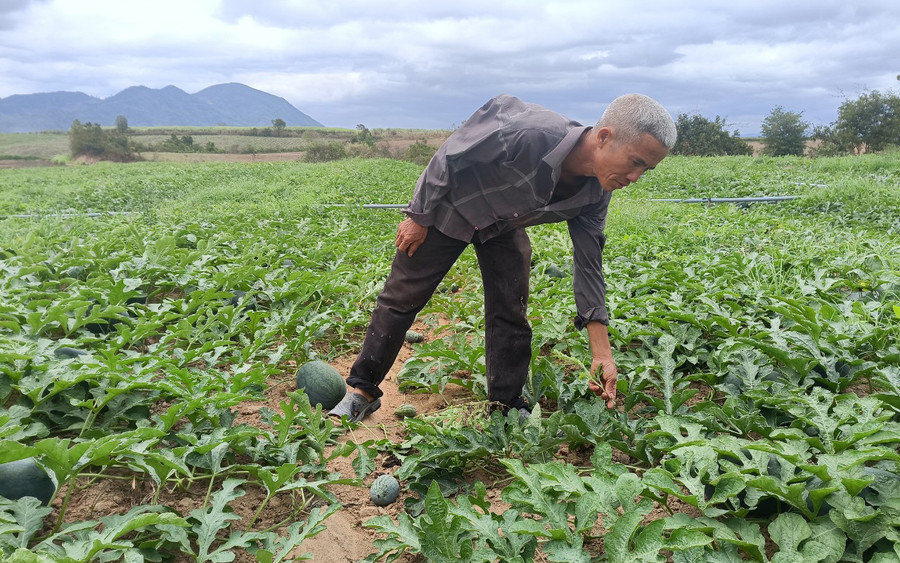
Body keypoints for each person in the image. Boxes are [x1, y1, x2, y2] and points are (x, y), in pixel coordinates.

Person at [329, 93, 677, 422]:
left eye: (645, 170)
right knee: (402, 297)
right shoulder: (530, 133)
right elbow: (451, 154)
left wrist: (602, 353)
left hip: (502, 225)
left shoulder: (596, 194)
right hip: (453, 208)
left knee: (511, 308)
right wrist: (419, 216)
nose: (634, 178)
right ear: (604, 136)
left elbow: (588, 266)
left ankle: (505, 401)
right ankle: (363, 389)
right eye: (635, 163)